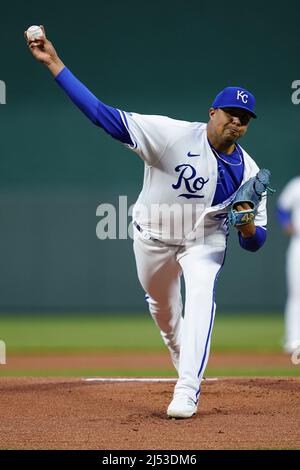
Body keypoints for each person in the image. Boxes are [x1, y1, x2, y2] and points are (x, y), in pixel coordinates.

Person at [25, 26, 268, 419]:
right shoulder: (171, 136)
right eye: (230, 114)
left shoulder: (250, 174)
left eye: (244, 118)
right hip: (152, 238)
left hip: (204, 242)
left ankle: (188, 389)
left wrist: (245, 227)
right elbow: (103, 116)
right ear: (212, 113)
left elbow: (256, 241)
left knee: (202, 300)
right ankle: (179, 352)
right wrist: (55, 63)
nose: (236, 122)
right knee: (165, 312)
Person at [277, 177, 300, 354]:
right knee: (296, 294)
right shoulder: (296, 185)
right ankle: (293, 340)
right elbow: (282, 208)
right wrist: (286, 223)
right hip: (298, 243)